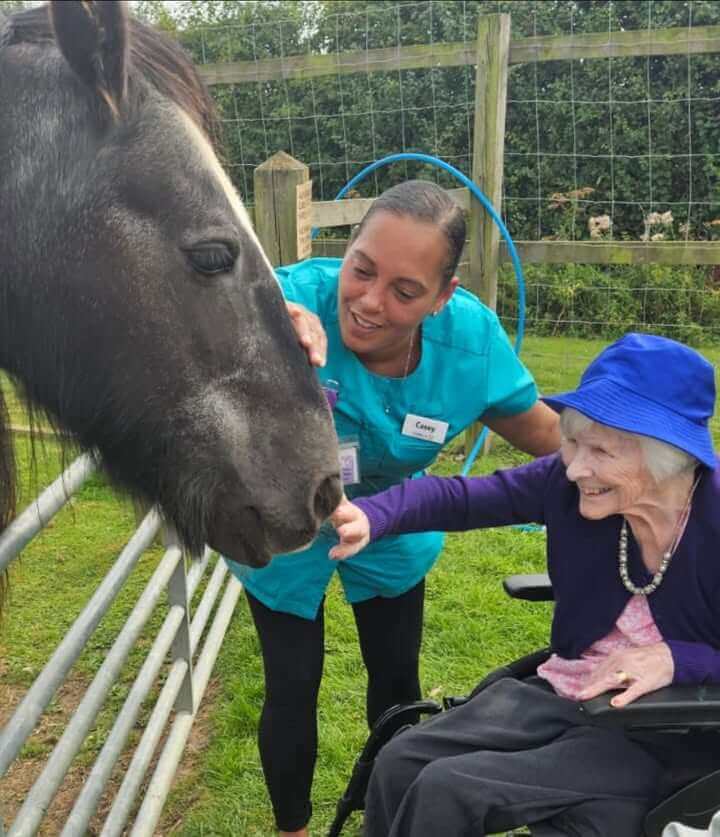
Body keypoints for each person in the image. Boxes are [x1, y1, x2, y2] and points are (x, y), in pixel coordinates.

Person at [226, 179, 560, 837]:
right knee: (292, 681)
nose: (370, 301)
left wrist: (647, 464)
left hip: (395, 512)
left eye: (406, 291)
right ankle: (292, 830)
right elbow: (187, 309)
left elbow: (553, 441)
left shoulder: (471, 347)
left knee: (397, 679)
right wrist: (256, 319)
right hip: (286, 512)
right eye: (362, 270)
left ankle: (393, 820)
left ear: (443, 297)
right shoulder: (289, 299)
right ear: (346, 251)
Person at [330, 332, 720, 837]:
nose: (576, 468)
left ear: (667, 457)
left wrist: (677, 660)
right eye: (573, 442)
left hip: (664, 728)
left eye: (601, 452)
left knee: (448, 789)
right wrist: (372, 515)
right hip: (570, 689)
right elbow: (463, 498)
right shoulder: (568, 485)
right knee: (401, 759)